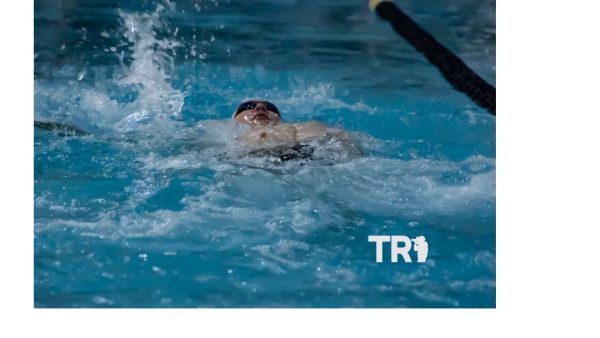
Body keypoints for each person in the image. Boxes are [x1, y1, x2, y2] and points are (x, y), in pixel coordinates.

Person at [232, 99, 347, 149]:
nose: (260, 107)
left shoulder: (301, 127)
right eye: (249, 106)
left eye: (270, 107)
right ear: (235, 117)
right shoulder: (220, 132)